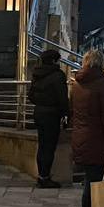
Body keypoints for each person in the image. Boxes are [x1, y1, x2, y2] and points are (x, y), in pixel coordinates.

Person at [70, 50, 104, 207]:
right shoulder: (103, 84)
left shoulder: (77, 83)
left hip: (80, 138)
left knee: (90, 182)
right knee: (95, 186)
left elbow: (73, 110)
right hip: (97, 140)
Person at [28, 50, 69, 189]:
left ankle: (41, 175)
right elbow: (62, 98)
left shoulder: (37, 74)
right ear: (54, 61)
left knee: (42, 144)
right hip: (52, 114)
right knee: (49, 147)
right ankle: (45, 177)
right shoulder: (58, 75)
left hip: (39, 112)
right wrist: (66, 113)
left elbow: (31, 95)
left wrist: (41, 102)